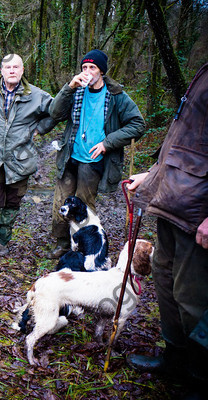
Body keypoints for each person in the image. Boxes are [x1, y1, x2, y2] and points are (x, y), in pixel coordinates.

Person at [126, 62, 208, 399]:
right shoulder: (204, 71)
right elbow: (185, 141)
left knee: (193, 296)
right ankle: (175, 358)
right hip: (171, 200)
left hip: (198, 212)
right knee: (164, 280)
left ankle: (201, 376)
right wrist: (153, 174)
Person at [47, 49, 145, 259]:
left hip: (93, 160)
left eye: (92, 67)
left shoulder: (116, 96)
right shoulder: (76, 91)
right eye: (84, 67)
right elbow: (54, 113)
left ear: (101, 71)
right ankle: (63, 243)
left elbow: (138, 124)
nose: (87, 71)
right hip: (70, 155)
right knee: (61, 201)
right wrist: (69, 87)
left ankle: (85, 246)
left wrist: (107, 143)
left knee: (83, 206)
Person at [0, 54, 56, 256]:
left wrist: (39, 128)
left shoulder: (37, 95)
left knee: (12, 203)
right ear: (2, 71)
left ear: (22, 71)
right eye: (8, 67)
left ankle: (2, 242)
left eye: (16, 67)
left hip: (21, 158)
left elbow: (55, 112)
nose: (12, 70)